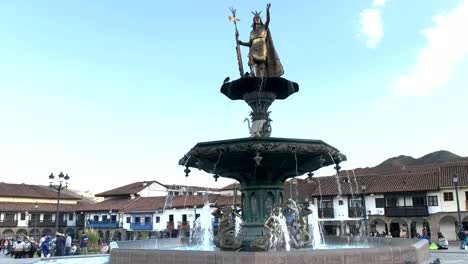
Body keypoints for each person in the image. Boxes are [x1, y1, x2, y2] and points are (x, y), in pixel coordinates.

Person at [238, 3, 283, 77]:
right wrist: (241, 43)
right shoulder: (252, 32)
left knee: (261, 62)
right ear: (254, 21)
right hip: (253, 48)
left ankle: (264, 76)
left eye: (258, 18)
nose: (257, 19)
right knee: (250, 57)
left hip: (262, 47)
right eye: (255, 18)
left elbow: (268, 20)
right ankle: (252, 72)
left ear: (260, 19)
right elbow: (250, 43)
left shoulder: (264, 27)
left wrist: (267, 10)